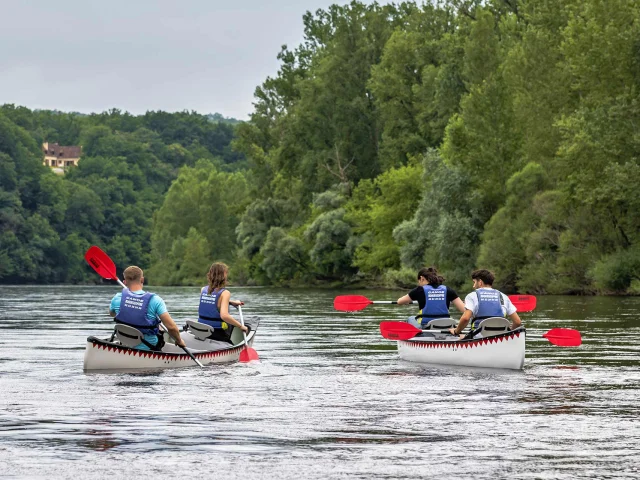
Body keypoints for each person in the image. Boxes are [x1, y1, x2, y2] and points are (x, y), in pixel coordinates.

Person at [109, 266, 186, 350]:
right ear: (142, 280)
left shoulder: (117, 298)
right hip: (149, 348)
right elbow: (171, 327)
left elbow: (112, 314)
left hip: (124, 344)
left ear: (125, 282)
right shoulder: (155, 300)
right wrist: (179, 340)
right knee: (158, 327)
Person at [449, 269, 522, 338]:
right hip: (500, 336)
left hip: (479, 336)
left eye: (474, 282)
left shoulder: (472, 296)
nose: (473, 286)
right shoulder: (504, 296)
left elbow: (465, 318)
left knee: (459, 337)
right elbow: (517, 322)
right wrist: (509, 332)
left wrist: (456, 331)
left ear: (480, 282)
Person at [397, 267, 465, 329]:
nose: (419, 284)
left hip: (426, 327)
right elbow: (465, 310)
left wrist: (407, 301)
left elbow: (399, 301)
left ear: (421, 278)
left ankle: (415, 336)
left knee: (410, 318)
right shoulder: (448, 290)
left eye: (419, 281)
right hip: (446, 326)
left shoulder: (419, 290)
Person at [197, 262, 248, 343]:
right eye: (226, 273)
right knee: (232, 324)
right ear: (222, 276)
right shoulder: (225, 293)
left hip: (201, 329)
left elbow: (213, 301)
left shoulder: (203, 289)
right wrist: (240, 326)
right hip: (216, 332)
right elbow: (224, 316)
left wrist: (230, 302)